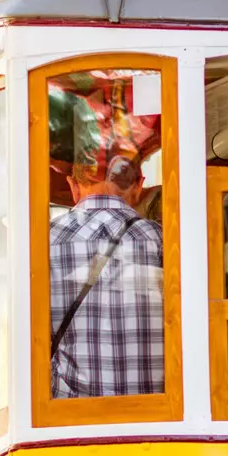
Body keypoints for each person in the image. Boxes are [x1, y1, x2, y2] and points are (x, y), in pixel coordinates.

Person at [48, 103, 163, 398]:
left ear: (73, 185)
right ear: (137, 186)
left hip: (71, 428)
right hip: (159, 423)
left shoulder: (42, 245)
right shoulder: (164, 242)